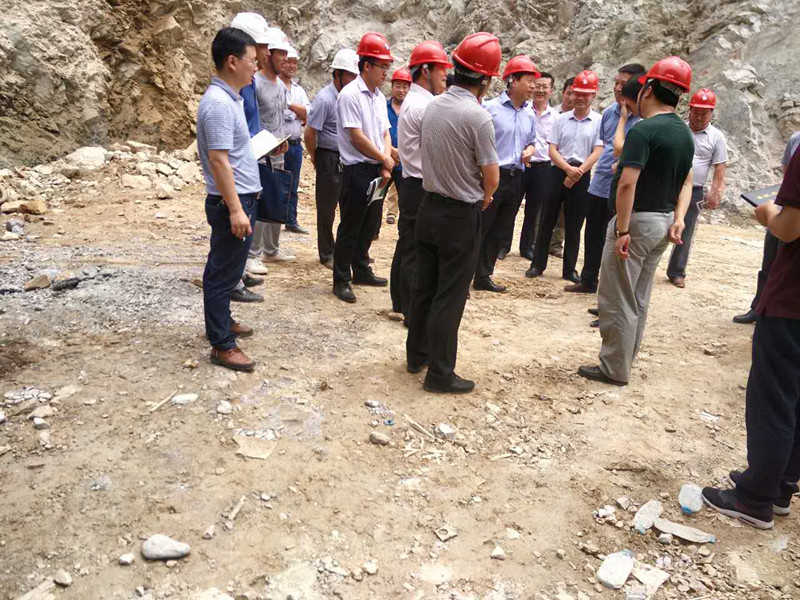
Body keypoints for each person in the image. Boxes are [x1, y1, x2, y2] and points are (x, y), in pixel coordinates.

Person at [579, 57, 695, 386]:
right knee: (638, 297)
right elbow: (687, 182)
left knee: (617, 297)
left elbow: (627, 184)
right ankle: (624, 360)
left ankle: (613, 368)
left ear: (648, 89)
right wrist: (679, 219)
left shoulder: (644, 130)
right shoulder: (684, 133)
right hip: (662, 223)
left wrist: (623, 229)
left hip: (637, 223)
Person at [701, 147, 800, 530]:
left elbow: (789, 227)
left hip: (792, 301)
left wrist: (767, 213)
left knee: (773, 399)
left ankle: (755, 498)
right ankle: (781, 487)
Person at [406, 32, 501, 394]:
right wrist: (486, 195)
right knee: (450, 294)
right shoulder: (478, 117)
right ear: (486, 80)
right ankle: (440, 373)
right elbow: (491, 176)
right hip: (460, 216)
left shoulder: (432, 106)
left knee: (425, 286)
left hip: (428, 206)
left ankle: (417, 355)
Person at [197, 27, 262, 371]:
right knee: (223, 272)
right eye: (252, 60)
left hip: (239, 198)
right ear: (233, 61)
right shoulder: (219, 104)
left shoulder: (230, 99)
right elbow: (219, 161)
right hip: (231, 203)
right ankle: (222, 344)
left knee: (228, 267)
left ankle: (223, 322)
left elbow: (232, 153)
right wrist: (236, 210)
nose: (256, 67)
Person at [567, 64, 645, 294]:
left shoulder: (643, 120)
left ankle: (609, 292)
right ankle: (588, 279)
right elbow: (604, 146)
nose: (618, 88)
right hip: (599, 184)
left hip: (622, 188)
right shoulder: (610, 112)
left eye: (624, 84)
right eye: (616, 83)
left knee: (616, 240)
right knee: (592, 234)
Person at [390, 41, 451, 323]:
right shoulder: (424, 106)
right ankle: (409, 308)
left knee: (408, 244)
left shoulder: (416, 102)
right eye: (441, 70)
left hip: (412, 182)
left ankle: (401, 301)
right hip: (419, 184)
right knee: (415, 248)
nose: (444, 76)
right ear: (425, 70)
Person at [331, 32, 395, 303]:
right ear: (366, 65)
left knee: (370, 223)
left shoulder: (378, 97)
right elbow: (356, 137)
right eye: (382, 66)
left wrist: (385, 162)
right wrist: (384, 159)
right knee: (351, 225)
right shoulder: (350, 95)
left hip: (377, 170)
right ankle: (341, 279)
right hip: (357, 170)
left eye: (387, 66)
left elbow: (384, 132)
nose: (385, 72)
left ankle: (361, 268)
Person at [526, 70, 603, 283]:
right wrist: (567, 169)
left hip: (582, 173)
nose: (580, 98)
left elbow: (597, 150)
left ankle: (569, 269)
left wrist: (578, 172)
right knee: (547, 219)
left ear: (593, 95)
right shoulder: (560, 119)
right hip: (558, 171)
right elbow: (552, 149)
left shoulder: (598, 121)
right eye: (577, 93)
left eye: (585, 94)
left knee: (574, 224)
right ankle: (537, 264)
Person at [474, 55, 539, 293]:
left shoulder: (530, 114)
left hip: (515, 178)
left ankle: (484, 275)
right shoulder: (489, 109)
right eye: (529, 81)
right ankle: (464, 276)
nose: (533, 86)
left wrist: (529, 151)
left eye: (534, 82)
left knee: (500, 230)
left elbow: (532, 142)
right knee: (480, 228)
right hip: (492, 176)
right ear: (512, 80)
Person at [734, 130, 800, 323]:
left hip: (787, 216)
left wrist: (770, 212)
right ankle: (758, 308)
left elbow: (788, 231)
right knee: (769, 260)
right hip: (784, 207)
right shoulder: (795, 139)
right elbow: (788, 175)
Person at [666, 88, 728, 288]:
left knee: (686, 230)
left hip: (694, 191)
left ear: (711, 113)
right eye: (696, 112)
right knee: (659, 224)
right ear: (690, 110)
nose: (699, 117)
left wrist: (715, 191)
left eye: (704, 114)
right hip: (670, 186)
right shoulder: (678, 130)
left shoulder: (716, 137)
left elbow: (720, 167)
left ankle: (677, 271)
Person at [228, 12, 270, 301]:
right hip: (239, 165)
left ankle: (239, 272)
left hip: (251, 157)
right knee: (235, 225)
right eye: (262, 47)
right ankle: (232, 282)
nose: (265, 53)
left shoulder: (250, 81)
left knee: (248, 221)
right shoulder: (235, 86)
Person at [305, 49, 359, 269]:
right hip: (329, 155)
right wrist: (315, 157)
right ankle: (327, 252)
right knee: (327, 209)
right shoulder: (324, 99)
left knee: (348, 206)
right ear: (337, 74)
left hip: (347, 157)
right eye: (350, 75)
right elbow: (310, 132)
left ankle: (345, 250)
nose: (353, 79)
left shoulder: (350, 97)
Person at [249, 27, 295, 269]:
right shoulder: (255, 83)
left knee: (276, 199)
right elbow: (252, 120)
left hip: (278, 152)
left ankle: (271, 249)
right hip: (259, 155)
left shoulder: (280, 86)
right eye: (281, 54)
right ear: (269, 54)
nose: (285, 59)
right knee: (259, 202)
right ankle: (253, 254)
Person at [517, 71, 558, 261]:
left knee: (534, 210)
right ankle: (502, 244)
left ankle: (527, 246)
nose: (540, 90)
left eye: (545, 87)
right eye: (537, 86)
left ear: (551, 90)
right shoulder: (522, 111)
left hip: (543, 166)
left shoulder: (556, 117)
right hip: (521, 164)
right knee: (511, 206)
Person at [280, 46, 311, 235]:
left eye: (295, 63)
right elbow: (279, 113)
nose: (292, 66)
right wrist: (297, 113)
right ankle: (273, 218)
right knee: (275, 182)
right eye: (289, 62)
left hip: (295, 144)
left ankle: (290, 220)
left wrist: (290, 106)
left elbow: (309, 112)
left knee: (293, 184)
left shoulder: (298, 90)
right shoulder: (274, 86)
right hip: (277, 145)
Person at [383, 67, 411, 228]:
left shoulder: (413, 109)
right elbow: (378, 132)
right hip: (384, 160)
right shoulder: (382, 107)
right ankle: (372, 231)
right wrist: (392, 151)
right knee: (376, 198)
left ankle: (403, 234)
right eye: (398, 86)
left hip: (404, 164)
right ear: (392, 86)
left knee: (406, 202)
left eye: (404, 87)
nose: (401, 90)